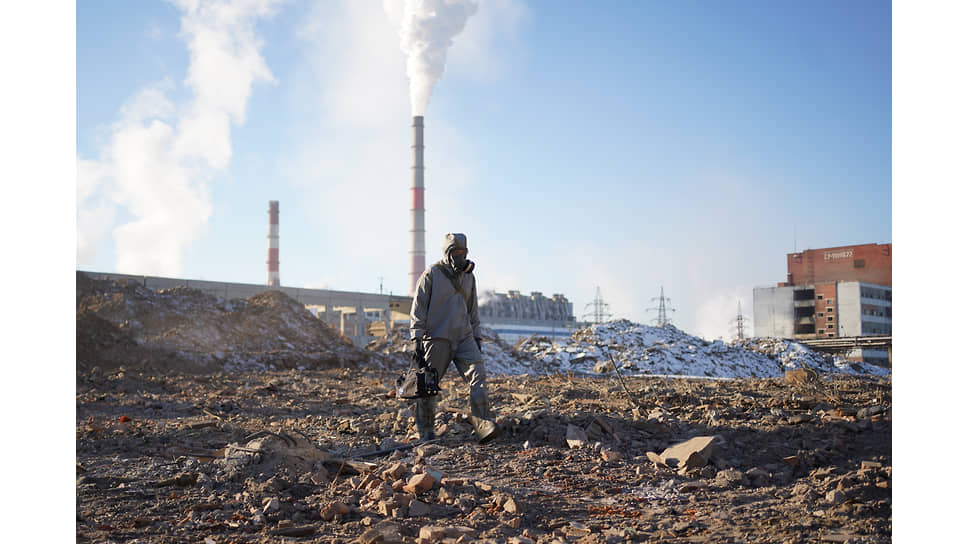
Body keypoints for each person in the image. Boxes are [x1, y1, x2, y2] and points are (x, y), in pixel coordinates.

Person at [409, 233, 501, 444]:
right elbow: (418, 309)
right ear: (447, 253)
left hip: (464, 337)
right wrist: (417, 339)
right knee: (427, 385)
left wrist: (477, 337)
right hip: (437, 338)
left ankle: (483, 424)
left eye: (463, 253)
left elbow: (473, 310)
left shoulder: (469, 277)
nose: (460, 257)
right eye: (456, 253)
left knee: (478, 377)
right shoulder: (431, 274)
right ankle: (426, 431)